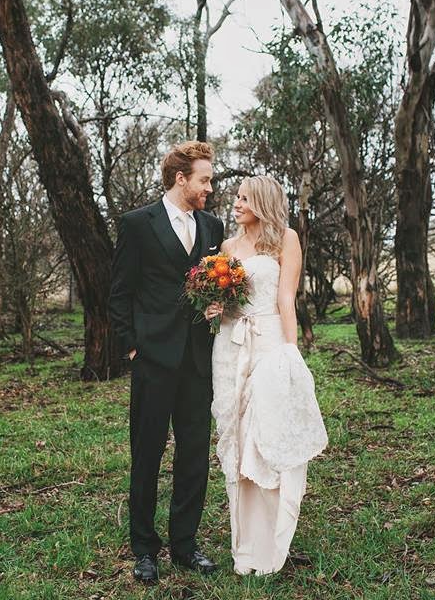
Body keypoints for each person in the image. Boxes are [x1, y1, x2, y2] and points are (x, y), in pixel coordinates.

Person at [109, 141, 225, 584]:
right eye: (204, 180)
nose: (209, 188)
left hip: (198, 360)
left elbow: (213, 283)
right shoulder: (138, 224)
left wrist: (216, 306)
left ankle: (185, 545)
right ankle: (144, 548)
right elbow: (119, 291)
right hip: (154, 359)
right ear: (181, 179)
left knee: (194, 454)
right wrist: (133, 347)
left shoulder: (212, 226)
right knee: (148, 453)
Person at [205, 175, 328, 576]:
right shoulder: (226, 248)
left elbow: (285, 300)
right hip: (230, 346)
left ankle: (274, 542)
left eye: (243, 198)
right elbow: (224, 304)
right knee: (238, 440)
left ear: (261, 202)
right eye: (236, 197)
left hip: (270, 342)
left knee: (269, 435)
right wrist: (214, 310)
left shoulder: (285, 239)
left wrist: (291, 353)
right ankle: (244, 547)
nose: (236, 203)